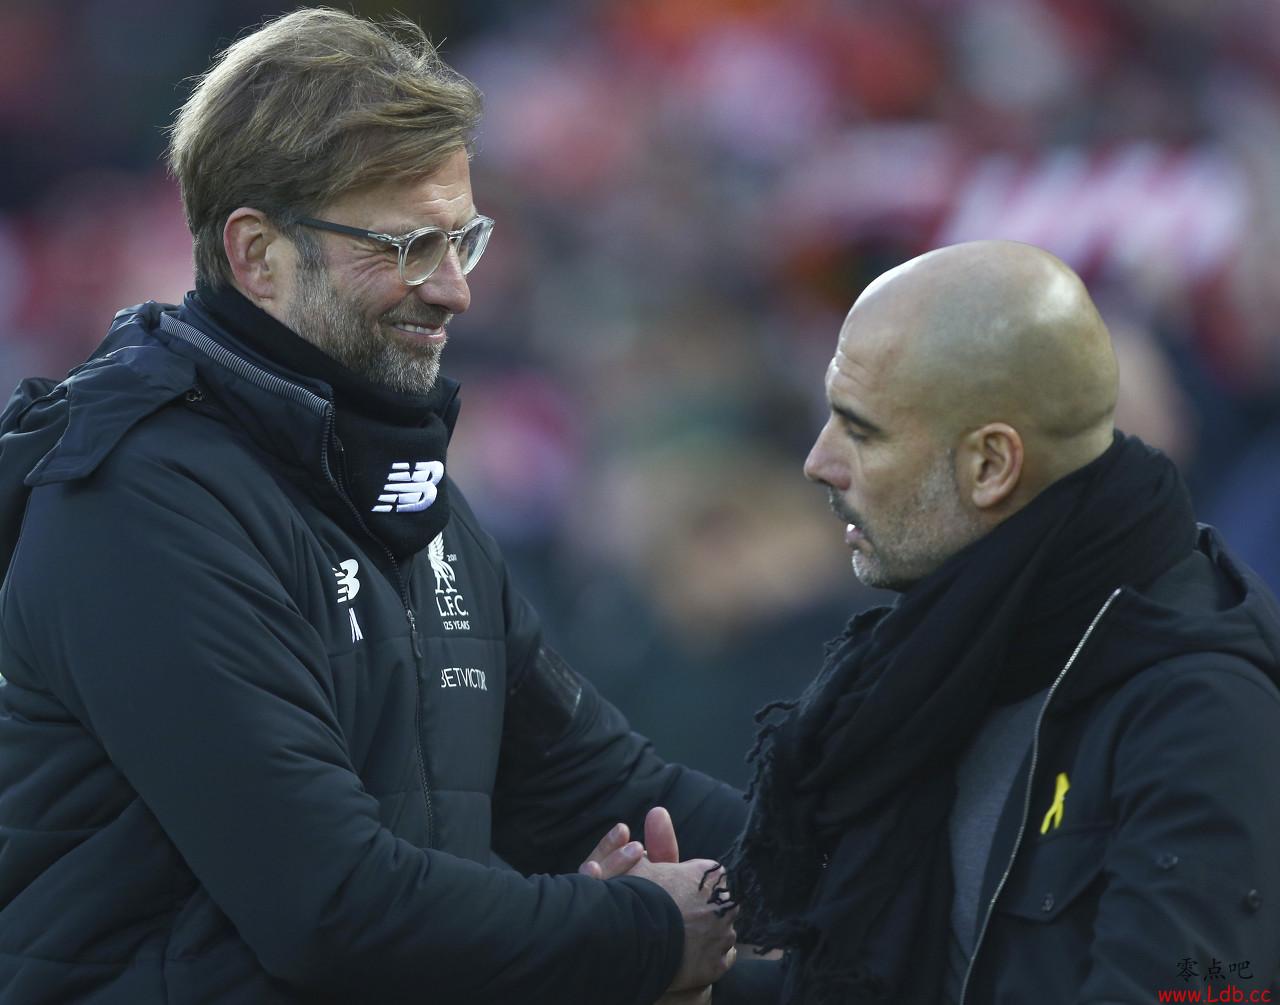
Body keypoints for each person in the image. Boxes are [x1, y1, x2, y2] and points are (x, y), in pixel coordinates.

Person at [0, 10, 745, 1004]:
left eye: (463, 239)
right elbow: (331, 905)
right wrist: (647, 933)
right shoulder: (138, 502)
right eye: (408, 246)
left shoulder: (401, 481)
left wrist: (866, 873)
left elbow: (601, 788)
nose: (455, 290)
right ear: (257, 254)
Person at [717, 240, 1280, 1003]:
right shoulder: (955, 649)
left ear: (990, 466)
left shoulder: (1202, 712)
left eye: (862, 430)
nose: (820, 461)